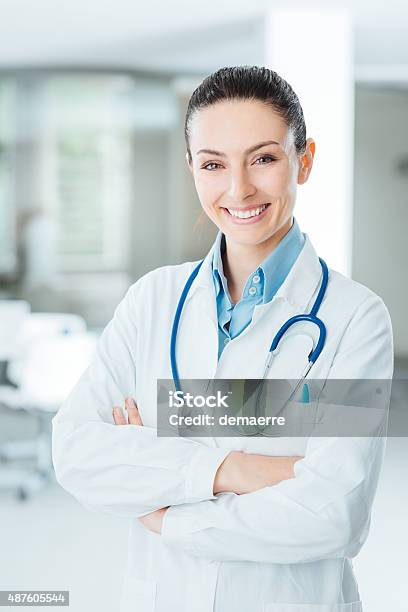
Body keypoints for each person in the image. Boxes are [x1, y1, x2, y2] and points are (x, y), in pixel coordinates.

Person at [52, 66, 393, 612]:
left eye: (263, 158)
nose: (239, 189)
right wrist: (233, 470)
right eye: (213, 164)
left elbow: (335, 515)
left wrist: (169, 510)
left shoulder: (356, 318)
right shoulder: (152, 300)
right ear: (192, 169)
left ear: (303, 161)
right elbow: (76, 453)